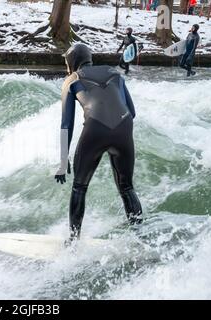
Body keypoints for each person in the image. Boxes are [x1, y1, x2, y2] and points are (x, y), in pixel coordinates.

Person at [55, 43, 143, 244]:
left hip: (95, 129)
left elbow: (66, 124)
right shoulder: (115, 73)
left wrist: (63, 161)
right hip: (124, 126)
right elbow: (133, 111)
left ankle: (74, 242)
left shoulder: (71, 80)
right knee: (127, 188)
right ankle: (140, 239)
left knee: (79, 187)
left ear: (71, 62)